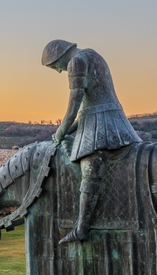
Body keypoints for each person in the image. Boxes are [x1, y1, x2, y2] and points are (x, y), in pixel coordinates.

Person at [42, 40, 142, 244]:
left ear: (59, 56)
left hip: (103, 123)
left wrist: (60, 131)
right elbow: (88, 110)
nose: (58, 71)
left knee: (90, 169)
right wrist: (65, 131)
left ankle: (82, 228)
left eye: (54, 66)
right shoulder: (93, 55)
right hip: (105, 118)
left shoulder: (76, 62)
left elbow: (74, 105)